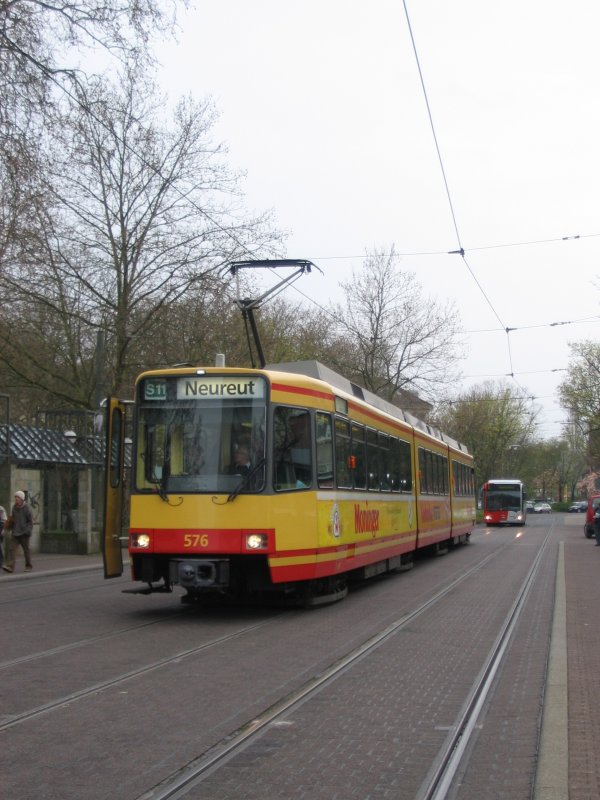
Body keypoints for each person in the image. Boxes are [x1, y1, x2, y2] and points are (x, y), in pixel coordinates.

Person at [2, 491, 33, 573]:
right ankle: (10, 567)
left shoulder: (27, 508)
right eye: (15, 497)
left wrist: (28, 531)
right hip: (15, 532)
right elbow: (13, 519)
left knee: (26, 550)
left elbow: (30, 522)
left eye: (18, 497)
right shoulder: (14, 507)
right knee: (11, 549)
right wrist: (9, 525)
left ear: (22, 499)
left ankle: (28, 566)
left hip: (24, 533)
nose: (16, 499)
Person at [0, 504, 6, 569]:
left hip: (1, 527)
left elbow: (4, 520)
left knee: (0, 546)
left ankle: (1, 562)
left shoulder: (1, 508)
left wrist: (3, 530)